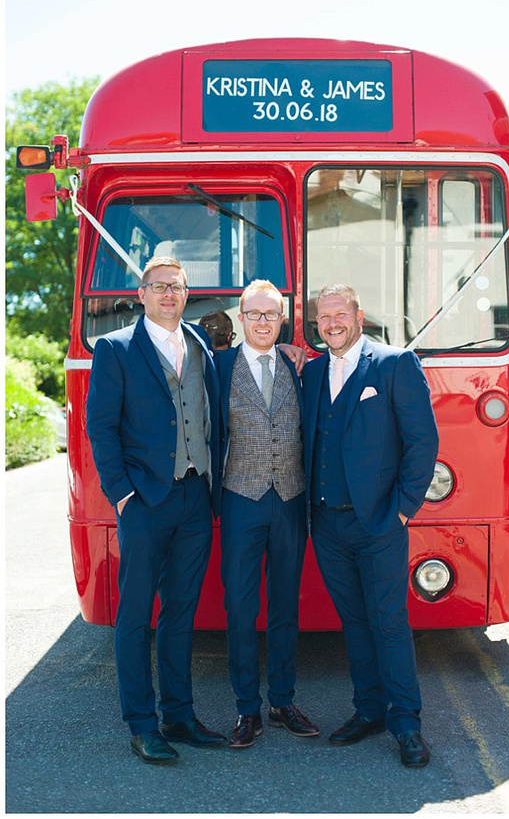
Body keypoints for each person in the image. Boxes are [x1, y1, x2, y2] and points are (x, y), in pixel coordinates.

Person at [86, 255, 226, 764]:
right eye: (158, 286)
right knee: (135, 614)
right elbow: (100, 427)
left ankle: (180, 715)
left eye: (177, 286)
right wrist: (122, 493)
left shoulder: (201, 344)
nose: (169, 294)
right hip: (144, 500)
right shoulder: (115, 348)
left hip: (194, 496)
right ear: (141, 294)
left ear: (187, 294)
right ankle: (142, 725)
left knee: (182, 612)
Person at [302, 284, 438, 768]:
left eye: (340, 314)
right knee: (354, 623)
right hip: (327, 525)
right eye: (323, 317)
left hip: (379, 522)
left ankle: (407, 724)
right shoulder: (314, 371)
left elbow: (423, 442)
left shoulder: (394, 363)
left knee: (389, 622)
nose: (332, 323)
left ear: (359, 315)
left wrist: (402, 510)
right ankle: (368, 711)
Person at [215, 279, 319, 748]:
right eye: (254, 314)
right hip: (240, 497)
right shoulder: (218, 366)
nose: (262, 322)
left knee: (284, 605)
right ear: (240, 318)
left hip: (291, 499)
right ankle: (246, 709)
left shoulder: (300, 367)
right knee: (240, 606)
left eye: (270, 314)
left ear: (282, 320)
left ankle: (282, 701)